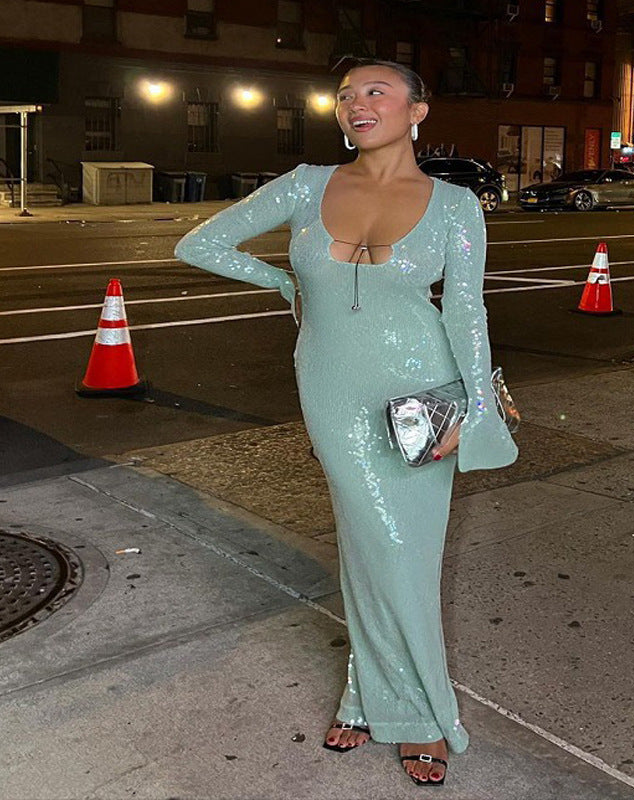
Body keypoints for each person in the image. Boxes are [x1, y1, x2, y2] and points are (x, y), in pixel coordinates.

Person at [174, 58, 518, 787]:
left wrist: (477, 410)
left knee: (400, 555)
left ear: (417, 111)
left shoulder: (455, 204)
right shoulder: (307, 185)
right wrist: (283, 281)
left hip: (423, 394)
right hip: (332, 389)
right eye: (345, 95)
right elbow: (197, 243)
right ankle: (395, 703)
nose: (355, 104)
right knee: (371, 542)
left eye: (375, 92)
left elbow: (466, 311)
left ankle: (397, 708)